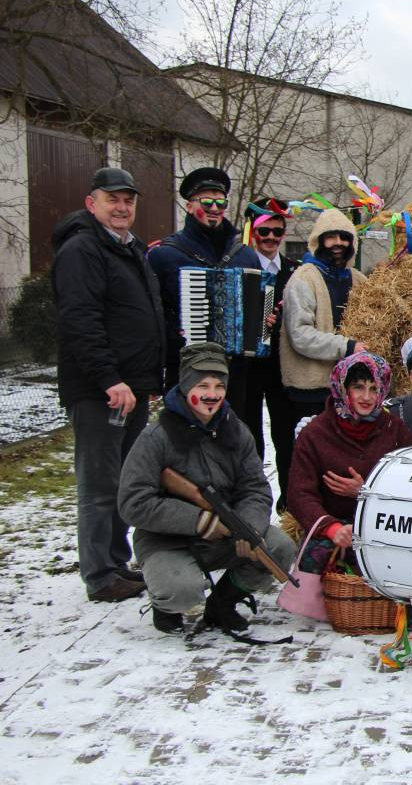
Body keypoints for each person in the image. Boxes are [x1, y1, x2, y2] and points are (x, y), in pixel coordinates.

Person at [117, 342, 297, 635]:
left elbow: (256, 488)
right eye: (202, 385)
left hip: (224, 534)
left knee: (278, 548)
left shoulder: (236, 430)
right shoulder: (155, 437)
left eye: (219, 385)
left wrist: (247, 528)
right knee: (182, 591)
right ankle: (165, 604)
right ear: (186, 386)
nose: (212, 394)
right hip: (167, 541)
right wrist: (197, 520)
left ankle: (222, 603)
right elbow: (132, 501)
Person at [51, 167, 164, 603]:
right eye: (112, 199)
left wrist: (145, 380)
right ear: (91, 203)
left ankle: (116, 562)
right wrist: (109, 379)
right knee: (99, 484)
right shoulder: (83, 249)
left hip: (130, 386)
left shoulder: (127, 248)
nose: (122, 208)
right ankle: (99, 574)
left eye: (128, 201)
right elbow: (80, 321)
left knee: (123, 480)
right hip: (102, 389)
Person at [287, 351, 412, 568]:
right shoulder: (315, 433)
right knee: (314, 557)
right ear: (343, 388)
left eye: (374, 389)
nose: (367, 397)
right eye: (358, 387)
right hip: (332, 523)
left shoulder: (394, 429)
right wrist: (330, 527)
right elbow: (300, 493)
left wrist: (366, 491)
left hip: (384, 523)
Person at [147, 167, 259, 393]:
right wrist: (176, 331)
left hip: (234, 370)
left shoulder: (245, 254)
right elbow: (151, 315)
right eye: (207, 202)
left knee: (233, 427)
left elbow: (257, 306)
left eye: (221, 203)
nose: (215, 209)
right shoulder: (164, 254)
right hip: (185, 367)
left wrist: (262, 322)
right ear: (190, 206)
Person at [279, 208, 368, 429]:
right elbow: (300, 335)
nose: (338, 243)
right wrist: (348, 347)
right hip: (311, 389)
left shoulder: (359, 280)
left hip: (351, 386)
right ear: (318, 241)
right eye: (330, 237)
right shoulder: (303, 278)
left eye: (344, 238)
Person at [239, 198, 300, 512]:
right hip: (247, 367)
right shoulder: (238, 265)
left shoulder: (294, 272)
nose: (271, 238)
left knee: (285, 435)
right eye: (265, 232)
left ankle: (289, 504)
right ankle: (252, 501)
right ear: (252, 230)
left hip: (282, 366)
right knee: (249, 437)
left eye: (278, 232)